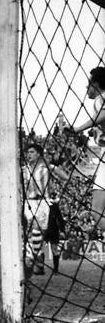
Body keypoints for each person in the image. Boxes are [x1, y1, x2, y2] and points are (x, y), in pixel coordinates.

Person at [67, 67, 105, 230]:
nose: (86, 89)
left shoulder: (100, 98)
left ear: (95, 84)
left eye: (88, 84)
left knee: (97, 212)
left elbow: (103, 114)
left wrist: (78, 128)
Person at [22, 144, 68, 276]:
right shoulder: (23, 169)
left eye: (31, 152)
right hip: (28, 202)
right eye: (27, 152)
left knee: (38, 232)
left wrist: (55, 176)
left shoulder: (46, 167)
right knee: (32, 230)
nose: (28, 154)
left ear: (38, 154)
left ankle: (37, 258)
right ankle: (34, 258)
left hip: (43, 202)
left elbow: (64, 177)